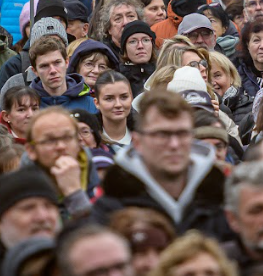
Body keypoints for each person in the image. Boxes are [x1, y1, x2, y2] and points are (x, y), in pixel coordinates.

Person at [93, 90, 227, 238]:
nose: (174, 144)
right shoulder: (112, 206)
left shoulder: (221, 196)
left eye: (182, 133)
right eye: (162, 134)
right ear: (137, 142)